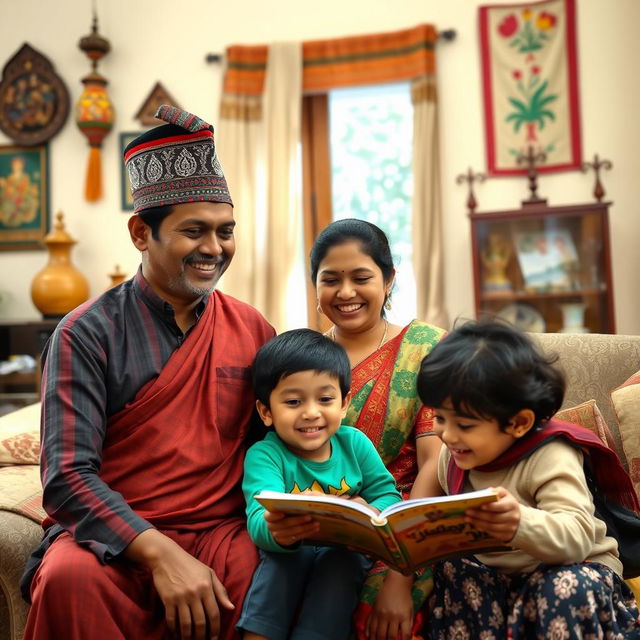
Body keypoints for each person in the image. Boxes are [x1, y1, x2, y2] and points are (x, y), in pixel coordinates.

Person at [20, 105, 275, 640]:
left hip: (219, 532)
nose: (214, 248)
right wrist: (160, 553)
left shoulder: (252, 329)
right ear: (141, 232)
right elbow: (67, 479)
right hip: (116, 539)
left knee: (270, 569)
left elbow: (275, 449)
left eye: (226, 231)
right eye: (193, 231)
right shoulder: (83, 334)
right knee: (67, 579)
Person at [415, 319, 640, 638]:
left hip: (572, 574)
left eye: (464, 425)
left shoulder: (551, 454)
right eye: (439, 418)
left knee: (563, 586)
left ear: (519, 423)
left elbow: (576, 537)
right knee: (453, 571)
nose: (447, 435)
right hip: (502, 582)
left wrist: (519, 522)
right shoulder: (453, 456)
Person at [306, 218, 446, 640]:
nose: (345, 292)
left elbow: (434, 468)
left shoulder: (426, 349)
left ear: (388, 281)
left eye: (361, 277)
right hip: (316, 527)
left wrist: (401, 576)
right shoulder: (302, 359)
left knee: (375, 617)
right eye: (330, 279)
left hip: (403, 531)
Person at [237, 329, 403, 640]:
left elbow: (387, 494)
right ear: (266, 411)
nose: (311, 412)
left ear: (344, 403)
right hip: (290, 548)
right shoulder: (266, 454)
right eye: (293, 401)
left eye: (325, 399)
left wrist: (368, 511)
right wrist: (276, 529)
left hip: (344, 548)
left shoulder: (354, 444)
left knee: (341, 567)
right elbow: (258, 517)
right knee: (281, 565)